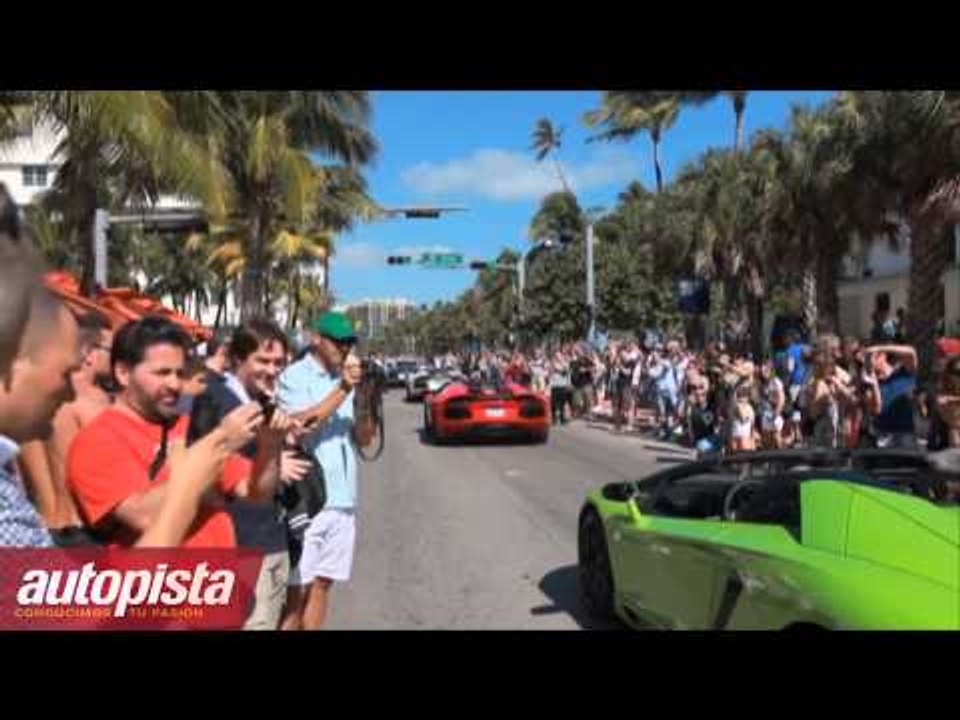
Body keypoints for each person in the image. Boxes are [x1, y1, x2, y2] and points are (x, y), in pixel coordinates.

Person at [67, 316, 294, 547]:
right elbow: (142, 516)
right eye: (162, 373)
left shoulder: (187, 425)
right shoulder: (98, 439)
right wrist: (221, 445)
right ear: (124, 373)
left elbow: (256, 492)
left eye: (179, 373)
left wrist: (270, 446)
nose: (175, 384)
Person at [188, 318, 308, 630]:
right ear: (238, 358)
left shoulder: (255, 400)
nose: (272, 370)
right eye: (262, 361)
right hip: (241, 546)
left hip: (261, 541)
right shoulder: (216, 399)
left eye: (279, 362)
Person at [277, 312, 376, 631]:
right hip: (309, 499)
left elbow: (364, 438)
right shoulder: (295, 376)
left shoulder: (346, 380)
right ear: (316, 339)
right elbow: (302, 424)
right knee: (297, 592)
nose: (344, 348)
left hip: (344, 500)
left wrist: (365, 399)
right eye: (338, 342)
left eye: (349, 343)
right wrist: (345, 389)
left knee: (322, 586)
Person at [18, 311, 114, 545]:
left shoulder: (27, 406)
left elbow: (18, 478)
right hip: (81, 530)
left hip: (38, 528)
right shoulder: (91, 403)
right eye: (112, 351)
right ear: (89, 353)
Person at [861, 343, 919, 449]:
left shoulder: (903, 372)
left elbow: (911, 352)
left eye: (870, 357)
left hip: (905, 434)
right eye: (865, 359)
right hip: (883, 436)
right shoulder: (868, 383)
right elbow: (876, 409)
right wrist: (874, 383)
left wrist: (879, 347)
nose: (867, 362)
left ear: (883, 356)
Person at [758, 359, 785, 450]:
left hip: (774, 413)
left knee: (776, 437)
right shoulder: (764, 383)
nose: (763, 372)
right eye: (762, 370)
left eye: (766, 370)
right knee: (766, 440)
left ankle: (783, 458)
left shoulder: (776, 382)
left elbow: (781, 398)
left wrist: (776, 413)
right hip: (766, 413)